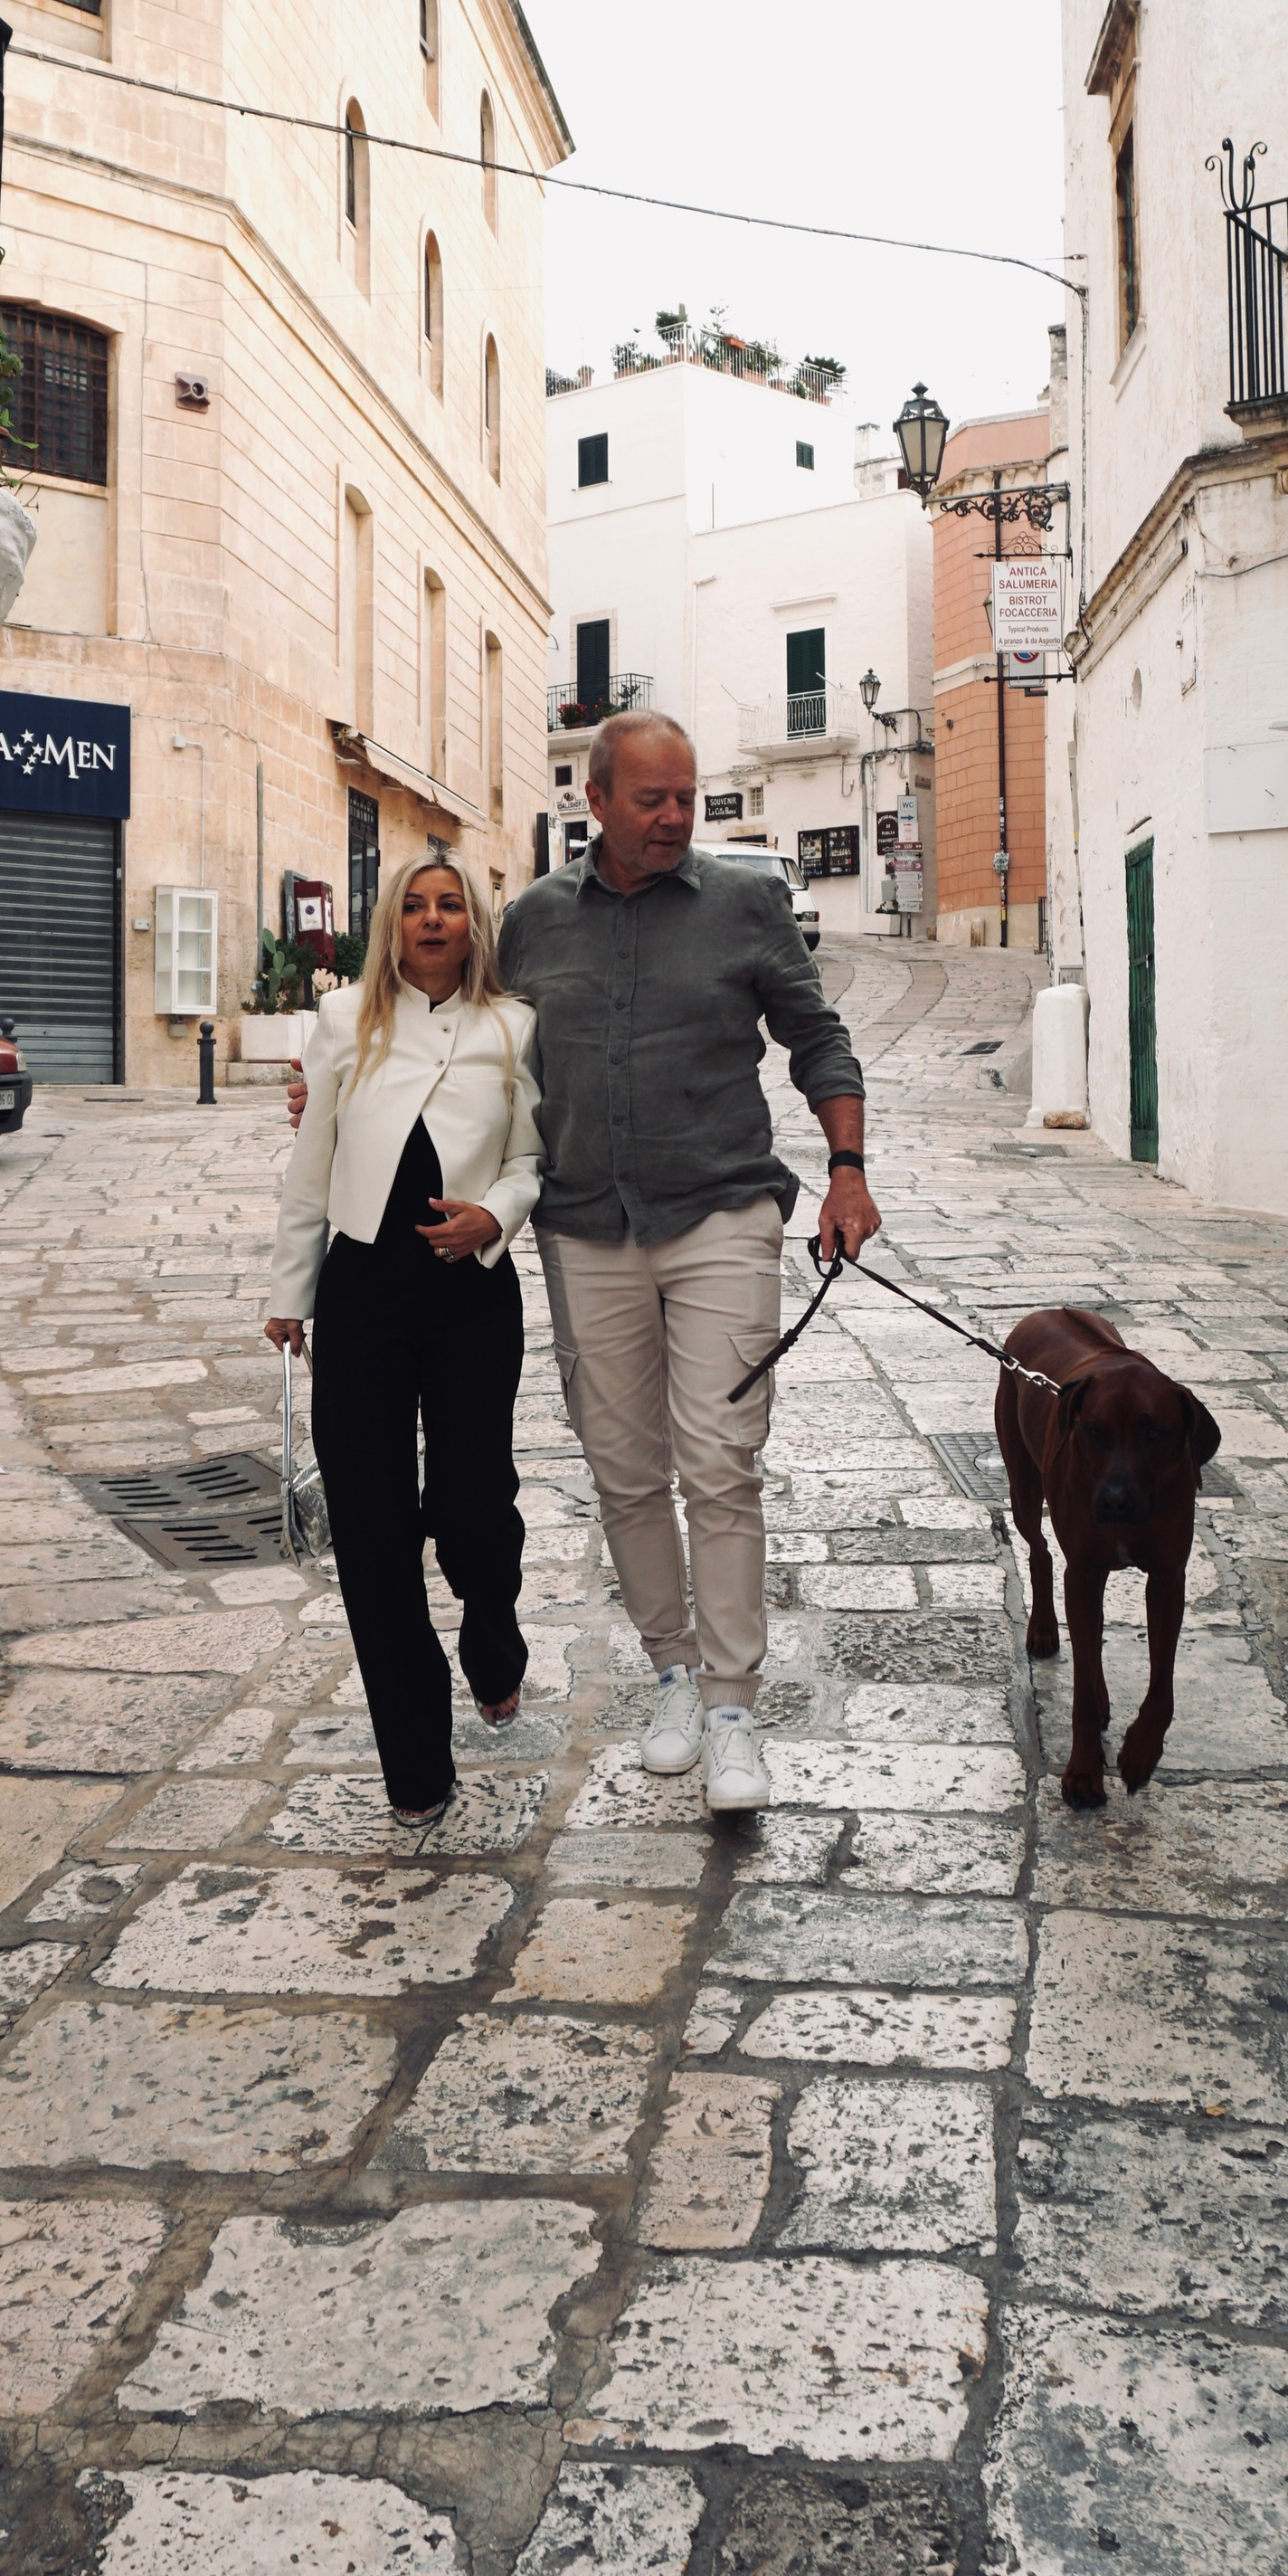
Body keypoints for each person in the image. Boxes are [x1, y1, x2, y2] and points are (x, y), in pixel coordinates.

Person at [498, 711, 877, 1815]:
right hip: (583, 1223)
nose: (672, 818)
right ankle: (668, 1672)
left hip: (719, 1212)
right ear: (597, 802)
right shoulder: (529, 923)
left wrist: (846, 1169)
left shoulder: (746, 905)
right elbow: (468, 1047)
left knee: (719, 1461)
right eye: (650, 799)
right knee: (622, 1469)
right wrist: (336, 1082)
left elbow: (819, 1038)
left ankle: (729, 1706)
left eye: (686, 798)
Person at [263, 856, 541, 1826]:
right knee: (372, 1535)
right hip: (362, 1293)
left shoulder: (514, 1025)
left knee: (471, 1506)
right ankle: (415, 1764)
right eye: (414, 906)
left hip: (471, 1292)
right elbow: (313, 1164)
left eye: (449, 904)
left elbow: (531, 1157)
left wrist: (493, 1217)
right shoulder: (344, 1021)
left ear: (474, 922)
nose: (432, 919)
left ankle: (493, 1639)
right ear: (392, 924)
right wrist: (289, 1293)